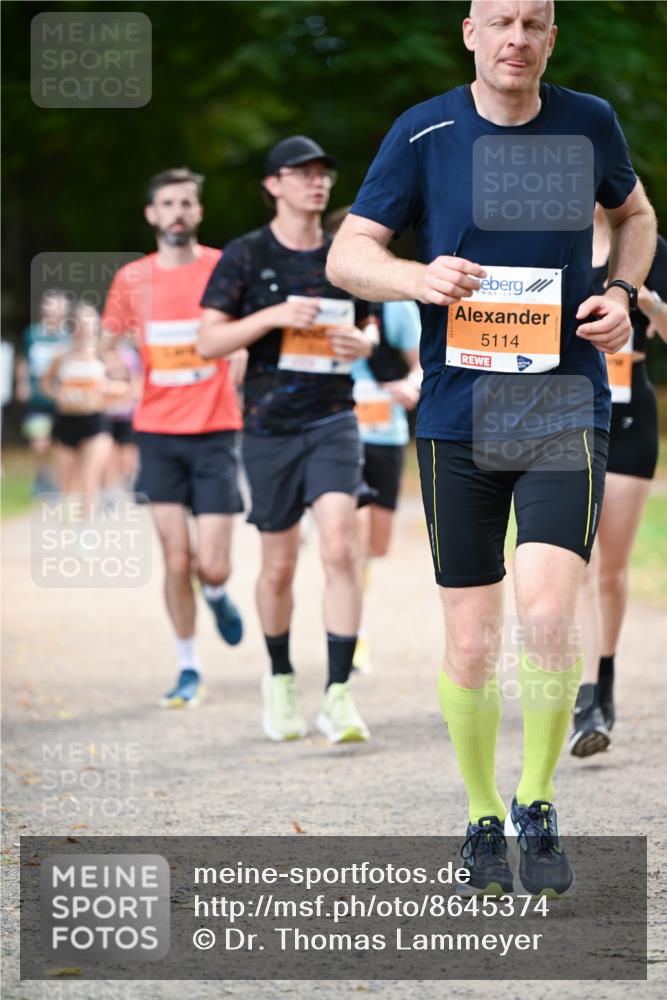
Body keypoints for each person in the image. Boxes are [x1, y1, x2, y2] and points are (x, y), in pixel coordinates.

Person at [327, 0, 656, 896]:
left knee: (547, 615)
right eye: (500, 21)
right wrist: (413, 277)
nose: (516, 38)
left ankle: (536, 801)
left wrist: (623, 289)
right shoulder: (424, 131)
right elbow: (348, 256)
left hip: (562, 405)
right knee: (470, 643)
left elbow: (635, 215)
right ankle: (479, 815)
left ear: (552, 37)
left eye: (534, 23)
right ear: (468, 33)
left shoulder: (588, 120)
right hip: (457, 417)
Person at [198, 136, 378, 744]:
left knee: (338, 549)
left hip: (334, 420)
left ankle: (338, 694)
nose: (317, 183)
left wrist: (365, 345)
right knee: (277, 566)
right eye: (302, 174)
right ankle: (278, 679)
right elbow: (208, 342)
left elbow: (372, 328)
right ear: (274, 184)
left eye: (323, 173)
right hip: (270, 428)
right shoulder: (246, 256)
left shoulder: (346, 257)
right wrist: (271, 318)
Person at [102, 167, 246, 709]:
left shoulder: (221, 268)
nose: (178, 212)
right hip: (158, 433)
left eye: (187, 203)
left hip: (214, 430)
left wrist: (242, 351)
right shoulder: (133, 279)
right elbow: (107, 344)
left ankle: (217, 593)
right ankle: (188, 666)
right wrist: (118, 372)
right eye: (167, 204)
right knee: (175, 558)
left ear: (199, 213)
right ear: (152, 214)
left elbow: (248, 326)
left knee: (212, 563)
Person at [570, 210, 667, 755]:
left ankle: (604, 677)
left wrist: (647, 303)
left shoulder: (650, 247)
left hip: (629, 418)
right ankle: (585, 697)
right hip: (568, 412)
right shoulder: (552, 241)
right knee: (576, 563)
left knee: (611, 569)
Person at [351, 300, 422, 673]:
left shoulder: (394, 306)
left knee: (374, 546)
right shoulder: (319, 296)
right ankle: (353, 633)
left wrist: (411, 385)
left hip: (385, 433)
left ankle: (352, 621)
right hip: (337, 435)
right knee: (352, 539)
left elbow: (421, 364)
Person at [40, 303, 118, 512]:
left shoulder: (105, 357)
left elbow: (127, 385)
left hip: (95, 422)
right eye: (81, 321)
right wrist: (57, 394)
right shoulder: (62, 356)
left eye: (90, 320)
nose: (85, 326)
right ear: (72, 325)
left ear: (96, 324)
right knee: (67, 485)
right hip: (66, 422)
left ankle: (87, 533)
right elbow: (45, 383)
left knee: (89, 478)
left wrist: (107, 390)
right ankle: (69, 531)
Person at [15, 289, 71, 495]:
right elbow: (23, 360)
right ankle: (42, 475)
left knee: (59, 444)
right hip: (37, 399)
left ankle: (56, 482)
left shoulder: (69, 335)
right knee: (40, 443)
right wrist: (21, 383)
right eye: (49, 305)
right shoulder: (32, 334)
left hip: (62, 400)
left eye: (57, 305)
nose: (52, 310)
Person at [101, 336, 142, 506]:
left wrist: (131, 398)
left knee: (128, 455)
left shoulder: (130, 356)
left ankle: (130, 480)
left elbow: (137, 380)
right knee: (110, 453)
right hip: (107, 414)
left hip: (127, 414)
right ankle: (111, 491)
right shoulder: (103, 355)